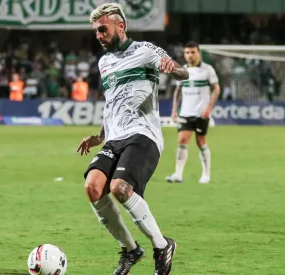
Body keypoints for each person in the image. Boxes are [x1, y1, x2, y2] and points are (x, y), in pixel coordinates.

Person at [76, 3, 189, 275]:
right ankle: (130, 250)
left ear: (121, 26)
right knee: (92, 187)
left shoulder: (145, 51)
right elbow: (112, 104)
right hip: (114, 137)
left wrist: (172, 68)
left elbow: (184, 72)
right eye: (96, 31)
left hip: (143, 134)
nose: (99, 35)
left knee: (120, 188)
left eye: (103, 29)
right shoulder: (104, 63)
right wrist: (99, 135)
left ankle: (162, 246)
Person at [165, 41, 220, 184]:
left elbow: (216, 88)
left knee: (201, 142)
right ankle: (178, 174)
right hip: (185, 113)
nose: (190, 55)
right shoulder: (182, 70)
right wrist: (174, 111)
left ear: (198, 53)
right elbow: (178, 91)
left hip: (201, 113)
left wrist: (209, 108)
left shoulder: (207, 69)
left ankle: (206, 174)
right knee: (182, 141)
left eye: (193, 52)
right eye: (187, 52)